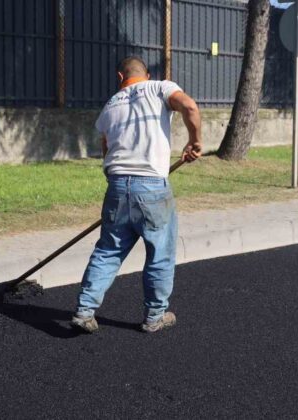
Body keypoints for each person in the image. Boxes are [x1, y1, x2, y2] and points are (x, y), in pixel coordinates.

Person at [70, 56, 202, 334]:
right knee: (160, 254)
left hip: (117, 186)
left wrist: (120, 185)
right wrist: (194, 141)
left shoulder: (110, 105)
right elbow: (189, 106)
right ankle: (155, 316)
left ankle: (84, 310)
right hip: (152, 187)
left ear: (120, 77)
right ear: (148, 74)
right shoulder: (160, 88)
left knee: (108, 250)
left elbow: (106, 148)